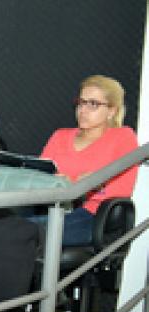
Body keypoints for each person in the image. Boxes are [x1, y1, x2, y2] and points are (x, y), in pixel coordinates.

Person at [37, 75, 138, 246]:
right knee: (0, 225)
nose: (82, 110)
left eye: (93, 104)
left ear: (111, 111)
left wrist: (78, 185)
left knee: (22, 232)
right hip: (51, 209)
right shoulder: (60, 136)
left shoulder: (122, 137)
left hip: (92, 215)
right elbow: (39, 175)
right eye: (81, 102)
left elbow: (121, 189)